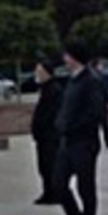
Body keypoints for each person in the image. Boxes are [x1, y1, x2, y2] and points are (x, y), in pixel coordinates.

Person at [53, 42, 106, 215]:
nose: (64, 59)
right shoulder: (72, 81)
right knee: (59, 184)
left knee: (86, 189)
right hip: (67, 141)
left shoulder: (90, 81)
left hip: (84, 142)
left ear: (74, 57)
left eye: (67, 55)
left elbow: (96, 112)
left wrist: (74, 126)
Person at [30, 57, 64, 205]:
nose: (37, 74)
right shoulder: (45, 89)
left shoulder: (54, 89)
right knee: (44, 166)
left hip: (50, 136)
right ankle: (48, 192)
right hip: (43, 137)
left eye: (40, 71)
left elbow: (51, 114)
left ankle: (55, 192)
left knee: (50, 165)